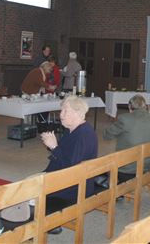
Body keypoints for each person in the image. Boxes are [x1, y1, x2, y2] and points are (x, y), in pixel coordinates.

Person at [39, 96, 98, 233]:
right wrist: (53, 146)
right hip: (73, 179)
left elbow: (71, 168)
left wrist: (54, 147)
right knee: (30, 182)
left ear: (78, 114)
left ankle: (47, 223)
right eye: (61, 110)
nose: (61, 115)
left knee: (28, 189)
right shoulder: (73, 129)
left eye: (66, 111)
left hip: (75, 185)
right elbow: (67, 155)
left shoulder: (83, 135)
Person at [103, 94, 150, 181]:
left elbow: (107, 135)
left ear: (130, 106)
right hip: (146, 166)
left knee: (101, 164)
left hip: (126, 169)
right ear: (145, 106)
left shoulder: (124, 118)